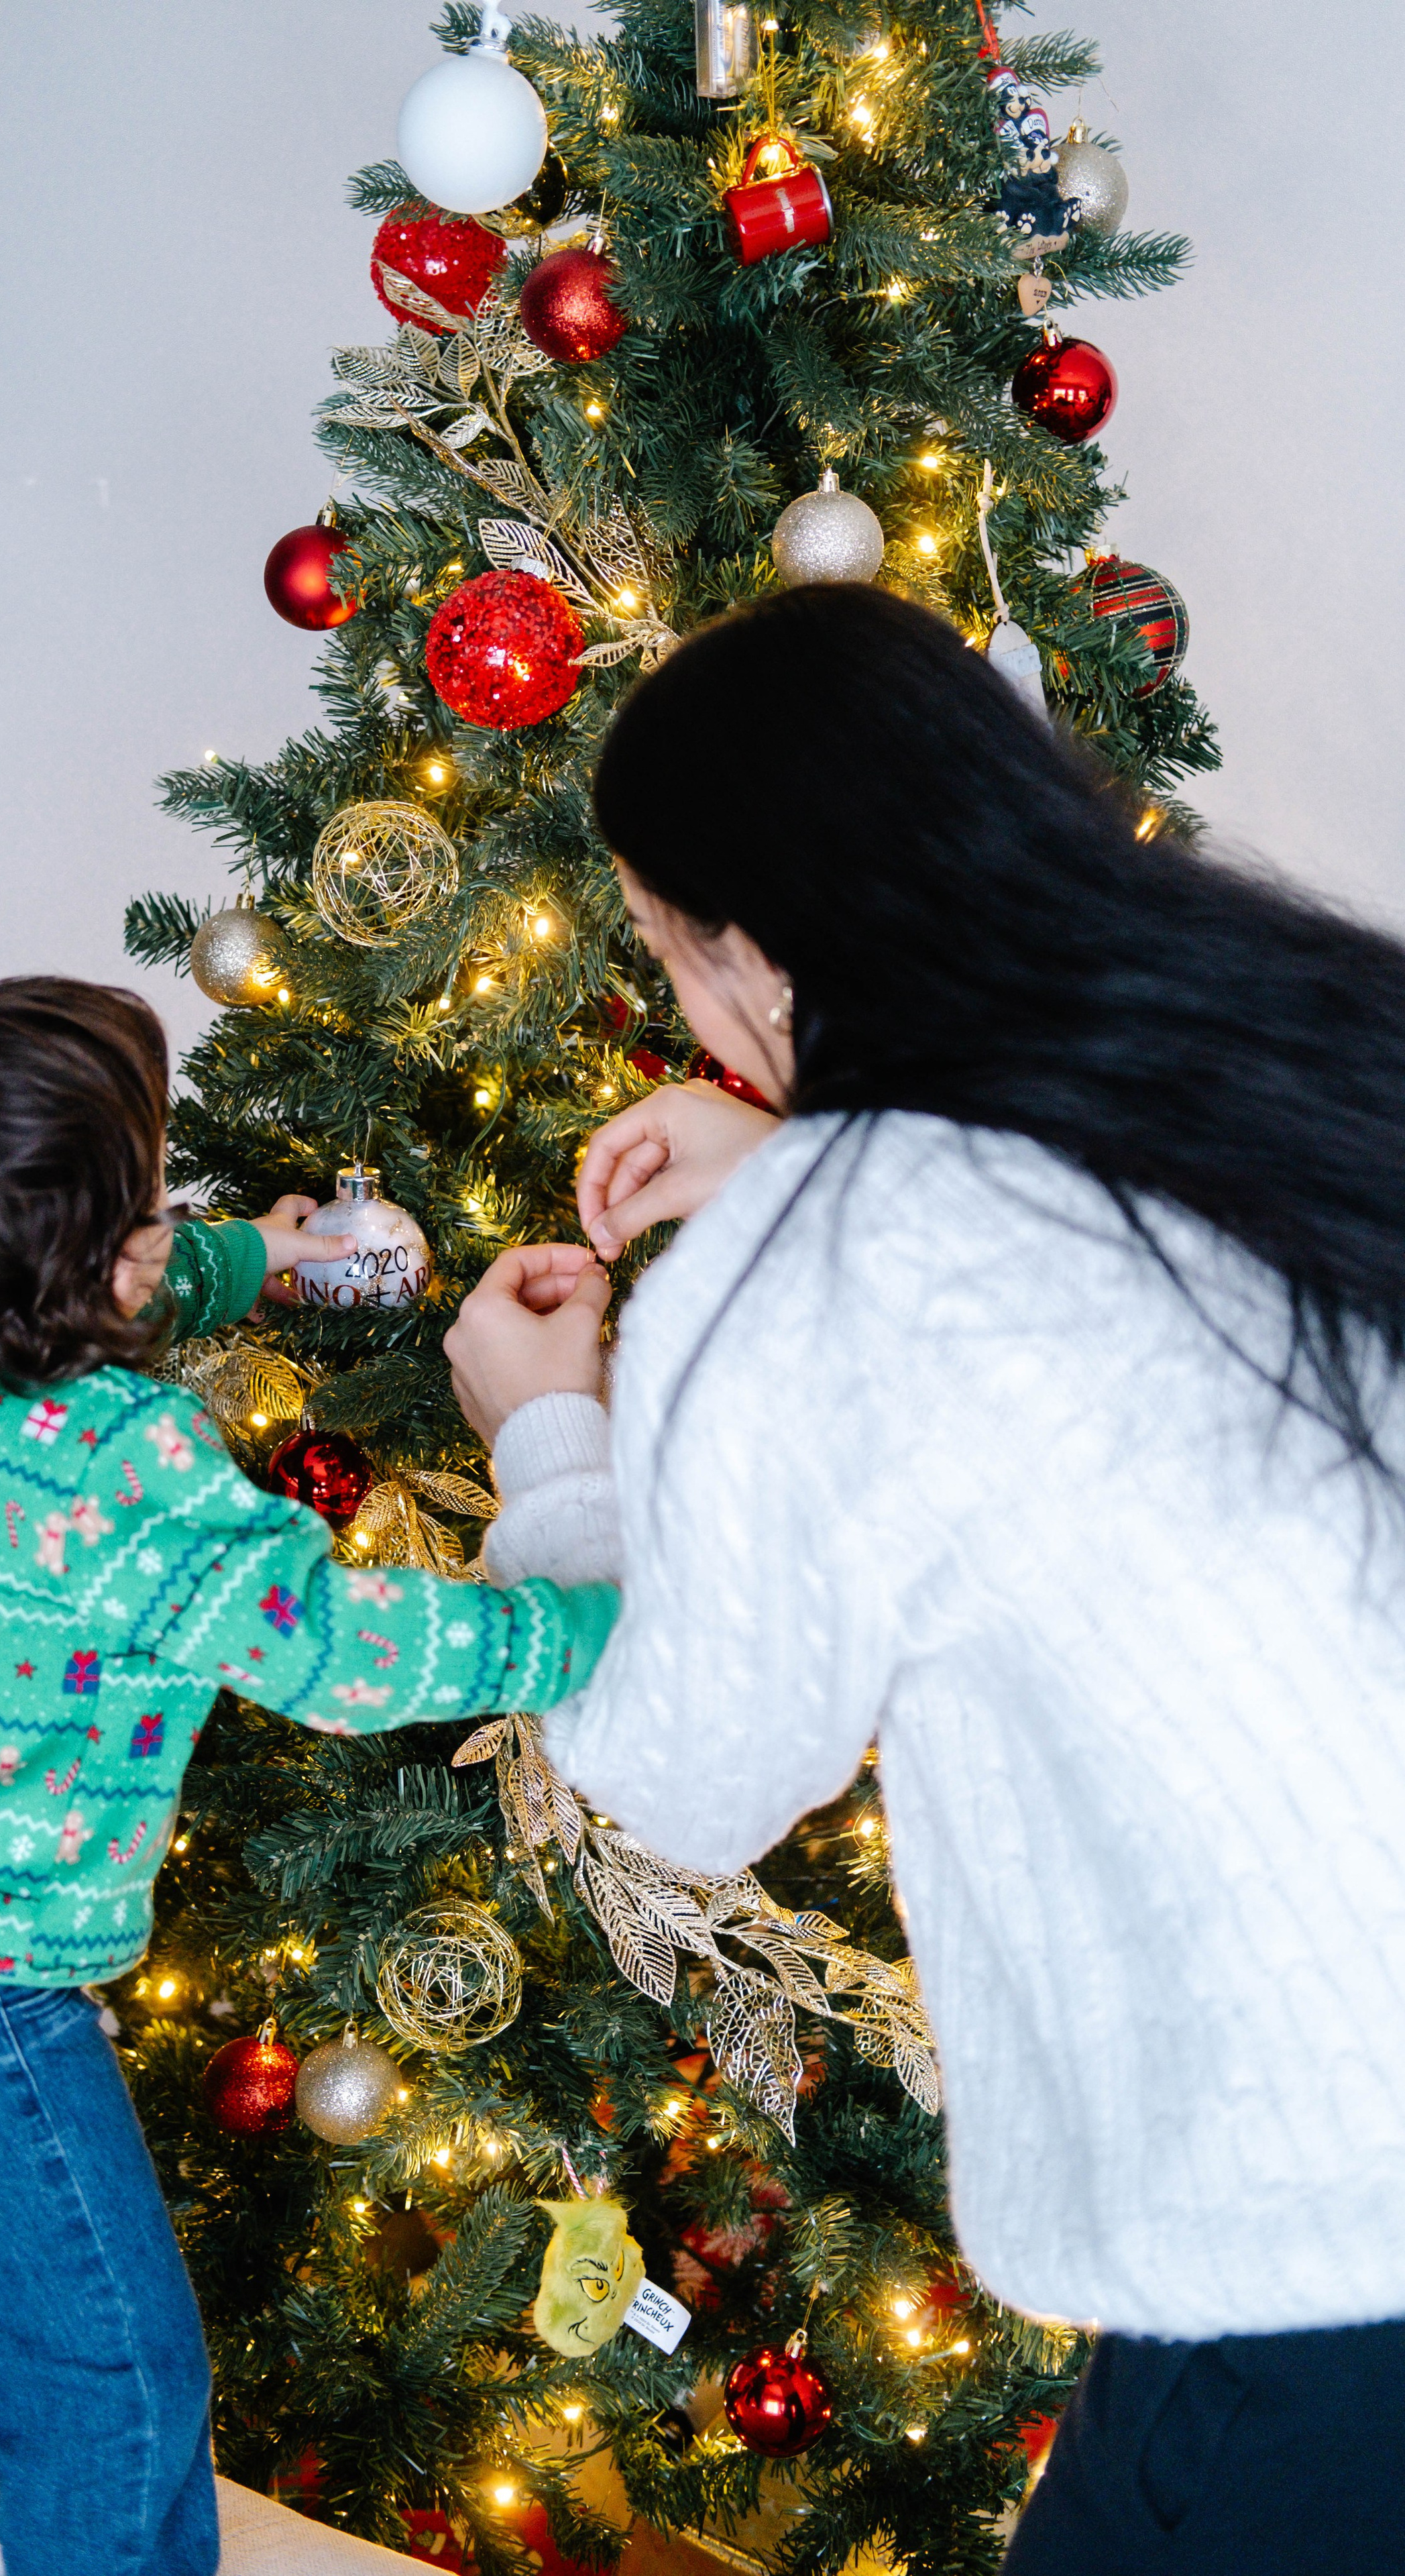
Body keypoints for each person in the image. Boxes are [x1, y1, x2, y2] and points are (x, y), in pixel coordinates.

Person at [443, 584, 1405, 2574]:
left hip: (1323, 2220)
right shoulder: (1271, 1039)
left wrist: (553, 1441)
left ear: (761, 953)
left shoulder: (833, 1262)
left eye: (674, 959)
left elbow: (694, 1770)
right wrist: (796, 1128)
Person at [0, 977, 618, 2576]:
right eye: (155, 1209)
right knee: (113, 2388)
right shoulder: (115, 1465)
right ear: (97, 1257)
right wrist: (577, 1628)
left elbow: (142, 1281)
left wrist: (263, 1258)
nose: (173, 1230)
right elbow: (332, 1648)